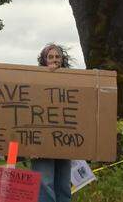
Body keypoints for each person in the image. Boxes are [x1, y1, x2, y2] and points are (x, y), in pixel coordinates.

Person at [30, 43, 73, 202]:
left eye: (57, 57)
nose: (54, 60)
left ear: (62, 60)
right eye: (50, 57)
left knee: (63, 186)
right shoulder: (34, 79)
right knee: (45, 184)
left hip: (64, 141)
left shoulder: (73, 80)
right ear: (44, 60)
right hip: (40, 143)